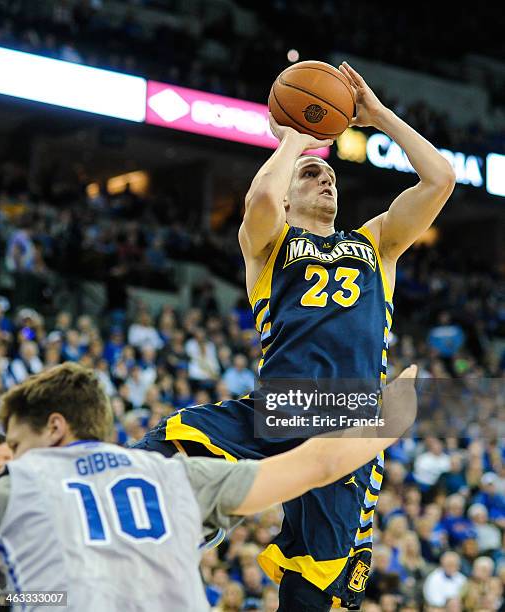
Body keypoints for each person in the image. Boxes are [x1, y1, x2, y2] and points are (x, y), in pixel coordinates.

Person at [135, 61, 456, 610]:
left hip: (351, 423)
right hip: (282, 405)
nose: (326, 179)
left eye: (329, 176)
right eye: (313, 176)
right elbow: (260, 203)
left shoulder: (376, 243)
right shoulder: (269, 242)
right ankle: (167, 534)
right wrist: (294, 143)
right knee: (163, 444)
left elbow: (440, 179)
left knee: (317, 590)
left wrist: (379, 116)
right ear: (288, 193)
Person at [0, 362, 416, 611]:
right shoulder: (177, 476)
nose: (12, 455)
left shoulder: (18, 487)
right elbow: (318, 464)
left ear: (55, 427)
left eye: (15, 443)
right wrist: (389, 423)